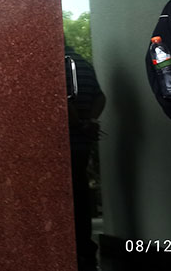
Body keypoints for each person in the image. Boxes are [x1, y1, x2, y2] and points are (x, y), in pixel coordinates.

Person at [65, 45, 105, 271]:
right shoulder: (84, 64)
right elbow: (100, 96)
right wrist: (91, 120)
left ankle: (76, 250)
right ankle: (86, 251)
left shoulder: (60, 62)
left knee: (69, 197)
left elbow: (64, 100)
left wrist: (79, 123)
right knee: (80, 195)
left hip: (68, 141)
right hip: (83, 143)